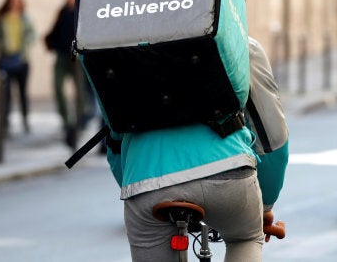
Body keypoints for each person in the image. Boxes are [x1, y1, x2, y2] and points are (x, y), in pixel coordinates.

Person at [105, 37, 289, 261]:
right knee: (245, 238)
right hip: (228, 170)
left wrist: (138, 189)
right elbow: (272, 137)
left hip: (147, 180)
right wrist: (266, 205)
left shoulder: (118, 45)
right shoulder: (238, 42)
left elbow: (115, 141)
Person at [45, 0, 97, 147]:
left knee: (81, 91)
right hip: (62, 56)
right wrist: (49, 42)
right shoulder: (63, 10)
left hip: (76, 58)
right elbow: (55, 31)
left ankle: (81, 120)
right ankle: (67, 121)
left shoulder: (82, 11)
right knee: (58, 86)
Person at [0, 0, 36, 134]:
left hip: (22, 61)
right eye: (12, 0)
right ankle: (5, 122)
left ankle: (25, 120)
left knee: (22, 93)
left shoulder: (25, 18)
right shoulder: (2, 19)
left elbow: (32, 35)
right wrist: (2, 48)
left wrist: (23, 51)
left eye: (17, 0)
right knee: (5, 94)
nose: (15, 3)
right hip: (5, 60)